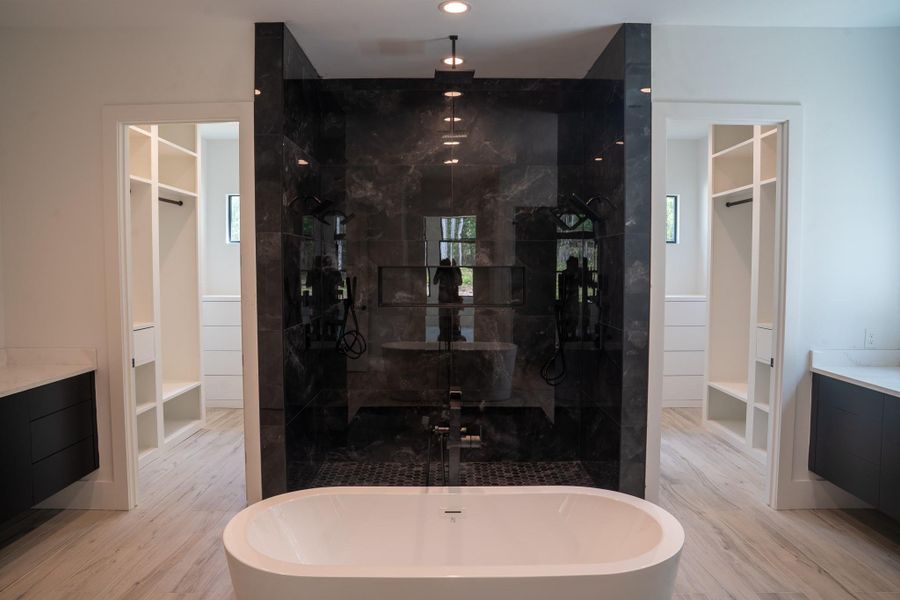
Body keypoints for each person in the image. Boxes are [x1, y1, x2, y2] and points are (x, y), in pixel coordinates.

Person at [433, 258, 465, 342]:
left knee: (454, 321)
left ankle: (454, 336)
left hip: (453, 300)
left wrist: (454, 269)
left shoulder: (455, 269)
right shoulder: (441, 270)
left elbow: (459, 282)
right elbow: (434, 281)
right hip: (443, 301)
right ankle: (443, 336)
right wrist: (439, 271)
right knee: (443, 320)